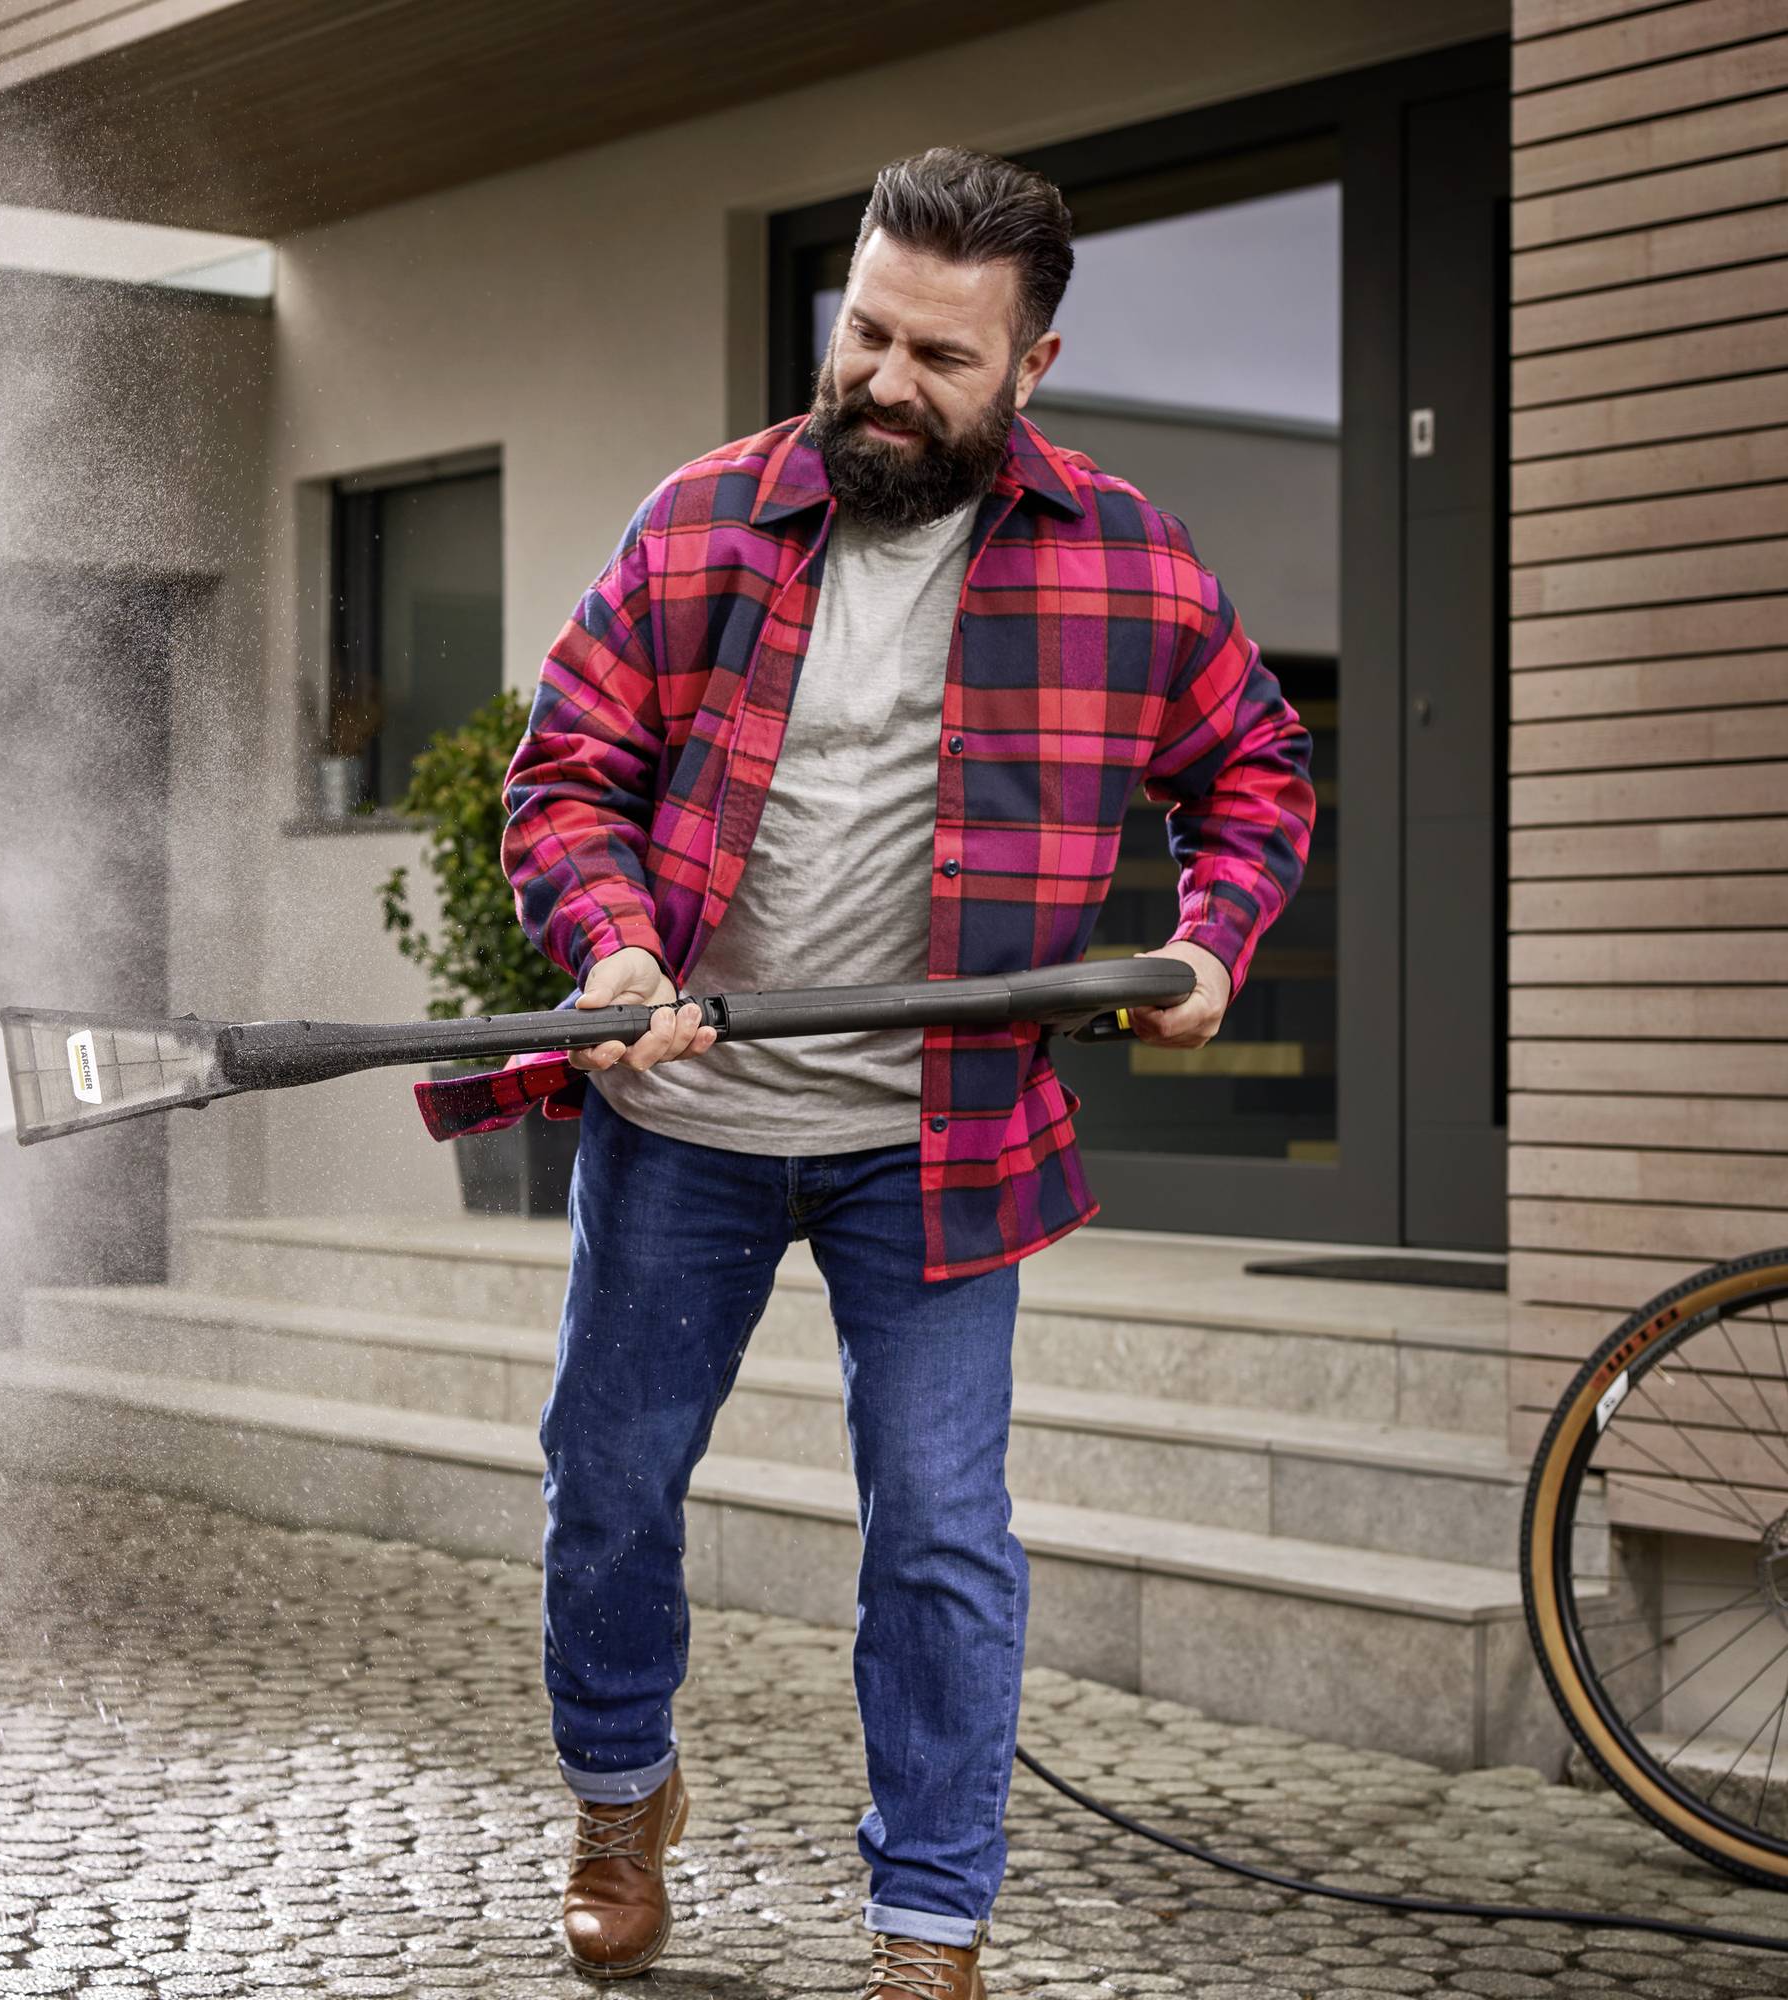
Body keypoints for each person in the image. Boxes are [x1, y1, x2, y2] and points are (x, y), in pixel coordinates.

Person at [411, 147, 1314, 1996]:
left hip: (943, 1138)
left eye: (941, 357)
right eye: (868, 333)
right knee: (610, 1483)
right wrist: (616, 949)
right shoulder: (704, 520)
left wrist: (1213, 937)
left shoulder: (1125, 559)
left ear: (1033, 370)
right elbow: (566, 768)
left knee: (940, 1535)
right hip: (687, 1121)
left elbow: (1258, 772)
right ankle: (618, 1790)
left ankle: (928, 1925)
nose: (888, 382)